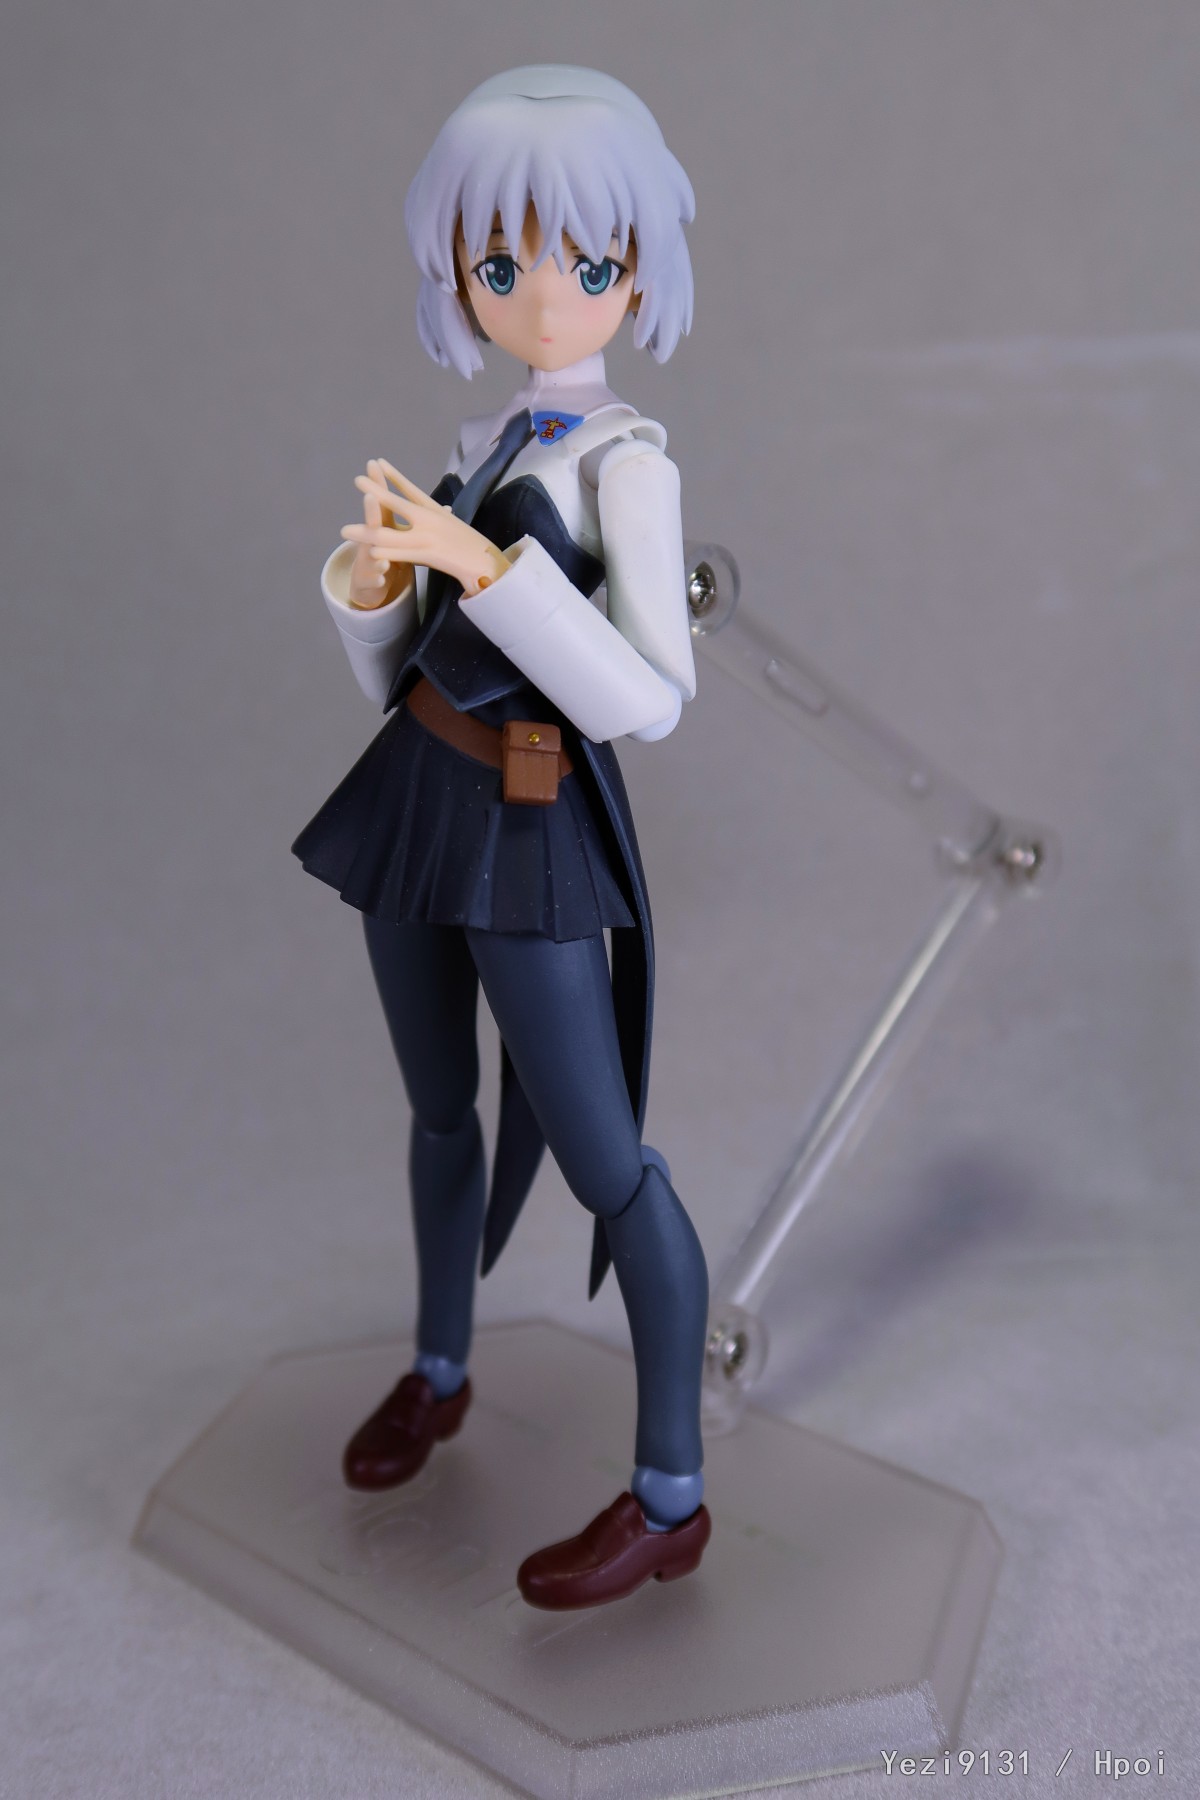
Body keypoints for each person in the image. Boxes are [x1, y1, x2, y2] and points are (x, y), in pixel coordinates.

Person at [292, 65, 711, 1610]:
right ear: (457, 273)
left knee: (609, 1161)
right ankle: (441, 1366)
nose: (544, 297)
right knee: (435, 1113)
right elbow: (413, 677)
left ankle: (670, 1491)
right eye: (500, 262)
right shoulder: (491, 443)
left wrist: (487, 565)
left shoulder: (628, 467)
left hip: (532, 830)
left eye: (588, 264)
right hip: (419, 805)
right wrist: (372, 589)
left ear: (640, 270)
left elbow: (649, 701)